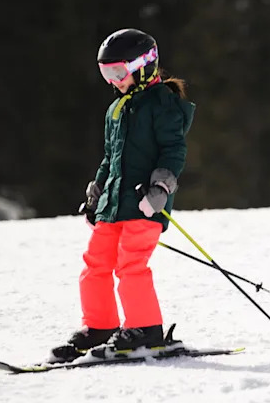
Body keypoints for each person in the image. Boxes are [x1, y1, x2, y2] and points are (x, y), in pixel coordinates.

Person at [52, 28, 195, 361]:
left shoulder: (163, 104)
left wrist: (160, 188)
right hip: (114, 204)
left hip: (145, 204)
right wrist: (97, 191)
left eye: (118, 72)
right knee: (95, 263)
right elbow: (111, 157)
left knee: (131, 265)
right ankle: (100, 326)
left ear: (143, 66)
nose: (112, 81)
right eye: (106, 73)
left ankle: (146, 330)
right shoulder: (116, 110)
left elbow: (174, 150)